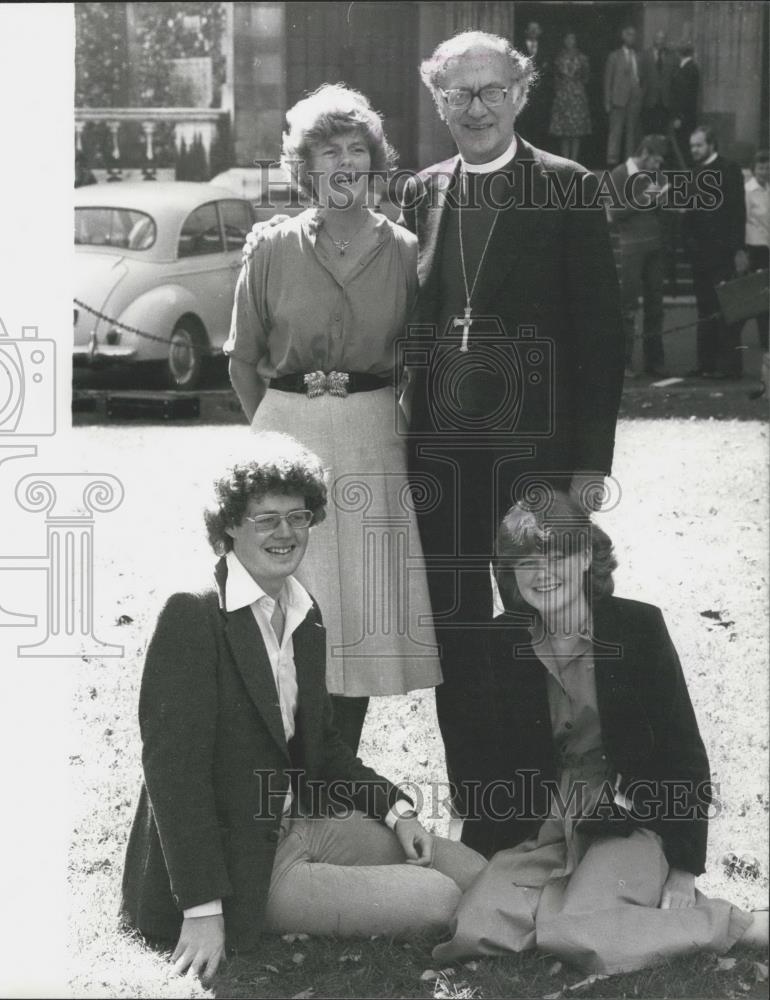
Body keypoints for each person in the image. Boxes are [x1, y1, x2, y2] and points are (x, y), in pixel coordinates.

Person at [120, 432, 486, 980]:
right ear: (228, 527)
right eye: (266, 519)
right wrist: (201, 910)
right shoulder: (192, 614)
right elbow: (174, 776)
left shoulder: (303, 608)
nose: (286, 533)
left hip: (299, 822)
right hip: (243, 863)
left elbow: (325, 747)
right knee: (437, 899)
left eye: (299, 516)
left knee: (470, 868)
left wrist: (396, 810)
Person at [400, 30, 623, 813]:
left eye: (493, 90)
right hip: (442, 465)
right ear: (437, 100)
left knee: (549, 625)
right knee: (457, 639)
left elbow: (602, 335)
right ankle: (483, 811)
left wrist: (590, 462)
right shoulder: (422, 191)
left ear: (522, 95)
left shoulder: (570, 186)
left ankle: (560, 803)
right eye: (458, 93)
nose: (477, 107)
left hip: (538, 458)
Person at [431, 493, 770, 974]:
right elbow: (477, 760)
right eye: (525, 560)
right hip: (544, 826)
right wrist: (474, 848)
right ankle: (596, 909)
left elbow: (683, 752)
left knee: (587, 936)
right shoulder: (497, 640)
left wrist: (682, 868)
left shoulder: (638, 627)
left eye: (557, 555)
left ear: (587, 555)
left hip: (627, 817)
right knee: (476, 928)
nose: (541, 572)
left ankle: (742, 924)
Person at [224, 85, 442, 755]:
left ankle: (338, 773)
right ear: (305, 167)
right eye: (328, 152)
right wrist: (275, 435)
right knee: (283, 600)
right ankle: (279, 771)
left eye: (357, 150)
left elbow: (420, 361)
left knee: (360, 612)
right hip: (288, 436)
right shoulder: (271, 248)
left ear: (375, 166)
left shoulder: (408, 252)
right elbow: (242, 362)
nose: (345, 163)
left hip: (374, 439)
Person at [685, 125, 746, 379]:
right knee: (704, 309)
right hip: (700, 254)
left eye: (698, 145)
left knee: (726, 308)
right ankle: (706, 363)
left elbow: (736, 211)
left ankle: (729, 366)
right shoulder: (692, 173)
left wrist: (738, 249)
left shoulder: (730, 170)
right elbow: (688, 215)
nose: (694, 150)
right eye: (692, 146)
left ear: (711, 144)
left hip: (722, 252)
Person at [608, 134, 669, 378]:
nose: (658, 166)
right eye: (655, 160)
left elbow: (660, 212)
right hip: (631, 247)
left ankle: (655, 361)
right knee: (628, 306)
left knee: (656, 304)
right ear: (644, 153)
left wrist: (664, 202)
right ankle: (624, 363)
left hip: (655, 246)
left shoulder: (658, 176)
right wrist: (645, 199)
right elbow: (614, 212)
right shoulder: (619, 174)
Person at [736, 148, 769, 350]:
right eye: (761, 167)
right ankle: (733, 335)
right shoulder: (748, 191)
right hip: (755, 248)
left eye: (767, 168)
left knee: (764, 297)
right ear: (753, 169)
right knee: (754, 297)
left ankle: (764, 340)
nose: (764, 171)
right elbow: (743, 220)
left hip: (767, 247)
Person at [548, 31, 591, 162]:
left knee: (576, 131)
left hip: (577, 95)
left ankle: (574, 160)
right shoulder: (559, 57)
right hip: (563, 95)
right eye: (567, 38)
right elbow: (554, 76)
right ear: (564, 41)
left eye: (572, 38)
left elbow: (586, 76)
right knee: (564, 131)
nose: (570, 41)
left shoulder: (582, 58)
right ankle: (565, 160)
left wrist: (577, 86)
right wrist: (560, 89)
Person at [604, 26, 643, 167]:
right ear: (623, 36)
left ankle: (629, 163)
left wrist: (640, 94)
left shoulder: (638, 56)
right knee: (616, 132)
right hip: (618, 100)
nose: (631, 38)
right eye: (629, 35)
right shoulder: (614, 56)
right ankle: (612, 162)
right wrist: (607, 101)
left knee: (631, 134)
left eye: (633, 35)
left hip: (634, 100)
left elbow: (641, 77)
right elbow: (608, 79)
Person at [517, 21, 552, 149]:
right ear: (526, 31)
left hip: (541, 94)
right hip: (524, 92)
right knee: (524, 123)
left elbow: (549, 70)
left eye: (536, 29)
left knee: (540, 123)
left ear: (540, 32)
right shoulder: (518, 46)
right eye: (531, 29)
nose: (533, 32)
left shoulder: (546, 47)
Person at [639, 29, 677, 137]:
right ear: (654, 40)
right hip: (649, 101)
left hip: (665, 102)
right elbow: (640, 78)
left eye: (663, 38)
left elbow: (675, 79)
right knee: (649, 133)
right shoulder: (644, 56)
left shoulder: (672, 57)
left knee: (663, 134)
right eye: (658, 38)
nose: (661, 41)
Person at [669, 44, 700, 165]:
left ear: (679, 53)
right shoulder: (689, 67)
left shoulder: (688, 69)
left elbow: (684, 96)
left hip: (684, 115)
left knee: (684, 143)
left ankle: (687, 170)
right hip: (687, 114)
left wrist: (679, 116)